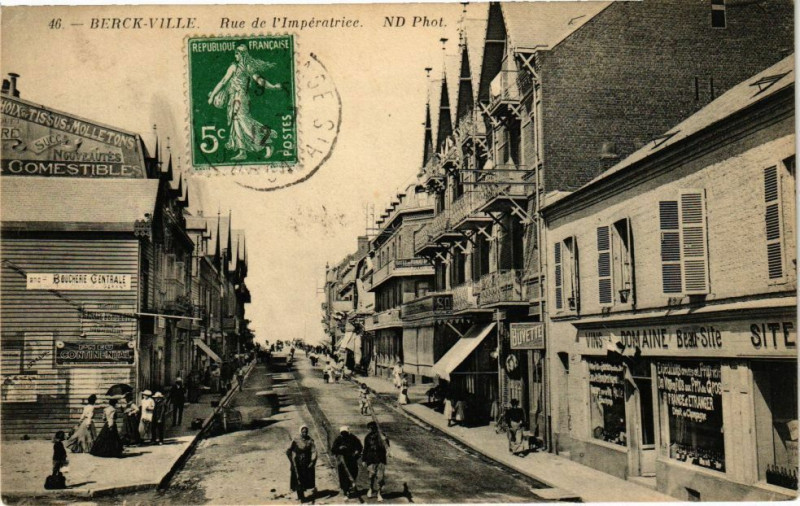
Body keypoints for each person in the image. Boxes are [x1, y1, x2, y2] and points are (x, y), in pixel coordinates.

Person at [207, 44, 282, 161]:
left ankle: (267, 143)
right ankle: (242, 152)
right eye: (235, 53)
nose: (235, 55)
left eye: (237, 53)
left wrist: (272, 87)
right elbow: (223, 82)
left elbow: (260, 80)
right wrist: (213, 95)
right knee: (236, 124)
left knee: (245, 123)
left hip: (241, 99)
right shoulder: (233, 67)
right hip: (233, 98)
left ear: (242, 55)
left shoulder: (248, 67)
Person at [286, 425, 318, 502]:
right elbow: (288, 450)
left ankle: (302, 495)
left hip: (306, 463)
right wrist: (291, 460)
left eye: (306, 431)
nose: (305, 433)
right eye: (303, 432)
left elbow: (314, 451)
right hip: (297, 463)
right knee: (298, 478)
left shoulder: (310, 440)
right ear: (300, 431)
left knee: (304, 479)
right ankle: (301, 496)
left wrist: (312, 461)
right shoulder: (296, 440)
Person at [330, 426, 363, 497]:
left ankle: (350, 486)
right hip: (342, 461)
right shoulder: (339, 439)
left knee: (353, 473)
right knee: (343, 476)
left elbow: (359, 446)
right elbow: (333, 449)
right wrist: (339, 448)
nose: (344, 434)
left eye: (345, 433)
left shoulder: (353, 438)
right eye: (342, 433)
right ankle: (345, 490)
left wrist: (357, 452)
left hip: (352, 460)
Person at [362, 421, 389, 501]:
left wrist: (385, 440)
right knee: (371, 476)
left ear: (372, 428)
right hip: (371, 459)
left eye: (369, 428)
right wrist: (364, 459)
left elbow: (387, 446)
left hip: (380, 460)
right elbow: (365, 449)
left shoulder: (382, 436)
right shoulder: (367, 437)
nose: (368, 430)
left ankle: (379, 493)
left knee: (380, 478)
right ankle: (370, 488)